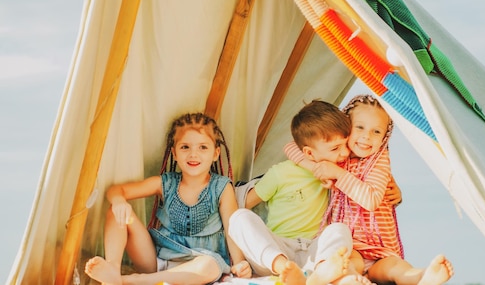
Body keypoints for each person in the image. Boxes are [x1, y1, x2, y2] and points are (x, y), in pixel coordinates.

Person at [284, 94, 454, 285]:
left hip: (379, 248)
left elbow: (371, 200)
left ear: (385, 136)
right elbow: (291, 148)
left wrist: (337, 174)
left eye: (376, 132)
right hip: (350, 244)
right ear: (346, 127)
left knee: (394, 267)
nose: (366, 137)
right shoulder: (339, 153)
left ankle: (423, 277)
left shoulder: (379, 161)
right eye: (359, 127)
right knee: (345, 264)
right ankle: (350, 280)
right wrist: (319, 169)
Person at [84, 112, 252, 285]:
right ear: (175, 153)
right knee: (116, 211)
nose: (193, 154)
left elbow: (234, 229)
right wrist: (119, 201)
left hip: (198, 267)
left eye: (203, 147)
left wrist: (239, 263)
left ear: (216, 153)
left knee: (210, 265)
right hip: (157, 262)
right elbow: (116, 190)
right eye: (185, 147)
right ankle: (112, 267)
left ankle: (129, 281)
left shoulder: (221, 187)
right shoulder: (166, 183)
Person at [228, 100, 371, 285]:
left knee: (339, 229)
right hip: (278, 250)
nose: (344, 153)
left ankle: (321, 273)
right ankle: (286, 270)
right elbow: (244, 203)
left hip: (313, 250)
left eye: (345, 145)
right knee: (239, 217)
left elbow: (366, 186)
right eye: (335, 148)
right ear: (309, 154)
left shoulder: (339, 171)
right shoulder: (281, 173)